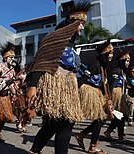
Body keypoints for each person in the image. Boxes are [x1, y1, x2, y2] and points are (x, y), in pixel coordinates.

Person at [26, 2, 92, 154]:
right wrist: (33, 86)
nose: (82, 28)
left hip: (69, 88)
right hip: (55, 85)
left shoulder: (73, 46)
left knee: (54, 124)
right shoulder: (53, 39)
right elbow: (40, 62)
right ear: (72, 23)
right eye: (80, 24)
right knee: (65, 123)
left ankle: (34, 150)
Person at [74, 39, 113, 154]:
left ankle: (82, 135)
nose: (111, 56)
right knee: (100, 119)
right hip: (90, 93)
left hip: (97, 93)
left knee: (102, 119)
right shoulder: (95, 66)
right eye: (110, 53)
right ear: (104, 54)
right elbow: (82, 80)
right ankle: (92, 147)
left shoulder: (102, 68)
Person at [0, 42, 18, 141]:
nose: (12, 59)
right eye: (11, 57)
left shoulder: (12, 70)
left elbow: (13, 82)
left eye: (13, 58)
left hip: (6, 96)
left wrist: (14, 92)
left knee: (5, 116)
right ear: (5, 57)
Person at [103, 50, 131, 143]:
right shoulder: (117, 70)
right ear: (122, 61)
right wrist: (109, 98)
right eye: (127, 60)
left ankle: (108, 132)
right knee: (120, 116)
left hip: (122, 95)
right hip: (116, 96)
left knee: (119, 116)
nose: (128, 63)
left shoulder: (122, 71)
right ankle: (120, 136)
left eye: (129, 61)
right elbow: (112, 85)